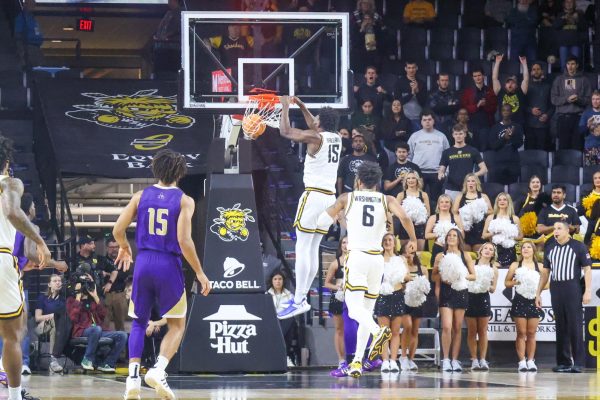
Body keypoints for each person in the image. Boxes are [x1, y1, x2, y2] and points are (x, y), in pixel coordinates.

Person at [114, 149, 211, 400]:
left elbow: (117, 229)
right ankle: (158, 370)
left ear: (155, 169)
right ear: (180, 173)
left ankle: (133, 378)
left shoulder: (139, 196)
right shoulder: (184, 200)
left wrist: (125, 247)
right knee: (177, 324)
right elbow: (184, 240)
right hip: (168, 263)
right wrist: (200, 273)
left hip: (143, 261)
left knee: (138, 321)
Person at [317, 161, 417, 378]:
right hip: (377, 260)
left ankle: (378, 332)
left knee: (354, 311)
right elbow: (406, 217)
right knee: (366, 311)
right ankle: (356, 362)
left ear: (358, 181)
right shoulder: (387, 199)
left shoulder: (347, 198)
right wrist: (414, 240)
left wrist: (325, 214)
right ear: (378, 182)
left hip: (357, 258)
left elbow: (322, 220)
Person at [277, 96, 341, 319]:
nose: (313, 120)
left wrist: (285, 106)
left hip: (313, 196)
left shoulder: (315, 137)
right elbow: (313, 123)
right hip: (330, 200)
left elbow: (286, 131)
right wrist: (302, 105)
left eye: (316, 118)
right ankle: (301, 298)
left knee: (303, 247)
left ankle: (298, 300)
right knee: (313, 248)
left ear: (319, 123)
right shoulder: (337, 137)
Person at [0, 135, 50, 400]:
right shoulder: (9, 182)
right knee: (12, 335)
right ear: (6, 162)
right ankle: (16, 396)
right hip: (0, 259)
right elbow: (11, 212)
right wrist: (39, 240)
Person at [536, 221, 591, 373]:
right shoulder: (550, 247)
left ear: (567, 231)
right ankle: (563, 362)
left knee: (575, 325)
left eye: (559, 228)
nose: (556, 231)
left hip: (572, 287)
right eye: (554, 229)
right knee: (560, 326)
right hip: (556, 288)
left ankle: (578, 362)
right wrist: (538, 293)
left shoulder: (578, 246)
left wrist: (587, 291)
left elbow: (587, 269)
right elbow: (545, 272)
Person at [432, 229, 476, 372]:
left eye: (454, 236)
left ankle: (455, 359)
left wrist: (460, 276)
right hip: (446, 291)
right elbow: (433, 276)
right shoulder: (440, 255)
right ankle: (445, 359)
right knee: (446, 326)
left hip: (460, 291)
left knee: (457, 327)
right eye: (449, 236)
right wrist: (443, 277)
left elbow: (473, 276)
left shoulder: (465, 255)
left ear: (459, 239)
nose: (451, 238)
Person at [66, 275, 128, 373]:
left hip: (98, 330)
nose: (85, 287)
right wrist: (78, 296)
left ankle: (107, 363)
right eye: (83, 284)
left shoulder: (93, 300)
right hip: (82, 331)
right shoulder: (71, 300)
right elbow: (73, 318)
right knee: (96, 329)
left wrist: (95, 296)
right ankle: (87, 359)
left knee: (122, 335)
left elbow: (104, 315)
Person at [505, 241, 545, 372]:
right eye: (523, 247)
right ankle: (521, 361)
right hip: (520, 300)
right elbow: (507, 282)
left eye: (529, 247)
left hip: (534, 300)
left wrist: (536, 286)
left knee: (532, 333)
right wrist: (517, 282)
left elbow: (547, 283)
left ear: (534, 250)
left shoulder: (540, 266)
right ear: (520, 251)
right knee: (521, 333)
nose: (526, 249)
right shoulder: (515, 265)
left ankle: (531, 360)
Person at [375, 233, 411, 373]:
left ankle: (393, 360)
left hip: (397, 295)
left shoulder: (401, 259)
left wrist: (401, 276)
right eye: (385, 240)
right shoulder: (378, 259)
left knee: (396, 331)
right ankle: (385, 361)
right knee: (384, 332)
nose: (387, 242)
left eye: (390, 240)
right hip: (383, 295)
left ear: (394, 243)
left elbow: (407, 276)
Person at [466, 242, 499, 371]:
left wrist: (486, 284)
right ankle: (474, 359)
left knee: (483, 331)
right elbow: (465, 279)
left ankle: (483, 359)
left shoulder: (494, 269)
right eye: (485, 248)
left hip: (483, 298)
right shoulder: (472, 264)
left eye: (491, 249)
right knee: (472, 331)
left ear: (493, 254)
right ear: (480, 251)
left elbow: (493, 289)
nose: (487, 250)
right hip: (470, 298)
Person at [407, 111, 450, 206]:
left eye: (429, 119)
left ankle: (434, 219)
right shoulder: (414, 136)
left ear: (434, 121)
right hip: (418, 173)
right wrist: (411, 172)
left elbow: (448, 157)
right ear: (421, 122)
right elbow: (408, 156)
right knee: (417, 200)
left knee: (436, 201)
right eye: (424, 120)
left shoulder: (441, 136)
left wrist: (445, 172)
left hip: (437, 173)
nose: (427, 122)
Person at [550, 56, 592, 150]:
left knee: (577, 146)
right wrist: (567, 99)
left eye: (573, 64)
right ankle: (563, 165)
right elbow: (553, 99)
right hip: (563, 118)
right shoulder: (559, 79)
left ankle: (577, 165)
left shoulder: (584, 80)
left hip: (579, 117)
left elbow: (589, 100)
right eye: (568, 64)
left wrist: (578, 100)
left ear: (577, 65)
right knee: (563, 147)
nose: (570, 66)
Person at [438, 124, 488, 201]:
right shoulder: (447, 152)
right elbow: (441, 170)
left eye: (460, 133)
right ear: (453, 135)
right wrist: (441, 175)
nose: (458, 136)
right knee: (452, 211)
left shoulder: (473, 150)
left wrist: (473, 175)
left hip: (469, 187)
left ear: (465, 134)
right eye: (456, 134)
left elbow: (484, 169)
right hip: (451, 187)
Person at [401, 242, 428, 371]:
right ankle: (403, 357)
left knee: (415, 330)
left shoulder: (422, 269)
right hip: (404, 301)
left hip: (417, 301)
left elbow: (426, 287)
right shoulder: (401, 268)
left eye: (411, 252)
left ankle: (411, 359)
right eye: (406, 252)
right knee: (408, 326)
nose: (409, 255)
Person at [324, 236, 347, 376]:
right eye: (343, 242)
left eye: (348, 242)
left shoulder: (357, 262)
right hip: (339, 298)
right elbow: (327, 283)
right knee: (339, 329)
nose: (346, 245)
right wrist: (337, 287)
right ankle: (341, 359)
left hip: (354, 298)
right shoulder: (335, 263)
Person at [452, 174, 493, 252]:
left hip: (479, 228)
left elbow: (491, 211)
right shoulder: (460, 196)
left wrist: (479, 211)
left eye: (473, 181)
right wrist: (465, 212)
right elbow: (454, 212)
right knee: (465, 252)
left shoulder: (483, 196)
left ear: (476, 183)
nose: (470, 183)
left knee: (479, 252)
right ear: (465, 183)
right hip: (465, 229)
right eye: (468, 181)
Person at [460, 68, 497, 151]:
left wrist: (485, 105)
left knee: (485, 149)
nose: (477, 78)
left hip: (487, 125)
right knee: (473, 149)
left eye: (479, 75)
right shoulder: (468, 92)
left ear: (483, 76)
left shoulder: (490, 91)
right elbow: (464, 108)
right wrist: (477, 105)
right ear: (473, 78)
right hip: (472, 125)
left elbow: (494, 108)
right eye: (475, 76)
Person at [98, 237, 130, 331]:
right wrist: (113, 274)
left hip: (119, 295)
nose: (114, 249)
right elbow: (99, 275)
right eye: (111, 247)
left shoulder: (124, 260)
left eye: (116, 247)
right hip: (105, 295)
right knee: (104, 323)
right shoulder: (101, 260)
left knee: (120, 324)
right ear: (107, 248)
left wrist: (108, 273)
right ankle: (104, 345)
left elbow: (123, 276)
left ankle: (122, 345)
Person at [34, 274, 65, 373]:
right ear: (49, 284)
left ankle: (53, 361)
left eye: (59, 281)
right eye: (55, 281)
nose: (57, 282)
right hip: (41, 326)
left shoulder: (63, 299)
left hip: (57, 328)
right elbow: (37, 318)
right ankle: (54, 360)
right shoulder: (42, 297)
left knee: (55, 325)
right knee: (53, 321)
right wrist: (52, 316)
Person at [483, 193, 523, 267]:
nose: (502, 201)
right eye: (499, 200)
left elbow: (521, 237)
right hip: (495, 250)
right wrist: (495, 233)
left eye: (505, 200)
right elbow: (484, 235)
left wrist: (509, 236)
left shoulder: (515, 218)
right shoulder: (490, 217)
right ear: (497, 203)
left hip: (510, 250)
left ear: (508, 202)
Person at [266, 270, 297, 367]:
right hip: (271, 322)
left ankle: (285, 357)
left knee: (290, 320)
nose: (278, 281)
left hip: (285, 322)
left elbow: (292, 312)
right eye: (275, 279)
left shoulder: (290, 295)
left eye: (280, 279)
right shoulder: (266, 295)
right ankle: (280, 357)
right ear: (272, 281)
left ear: (283, 281)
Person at [488, 105, 524, 185]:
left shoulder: (517, 127)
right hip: (499, 162)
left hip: (513, 162)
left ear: (511, 112)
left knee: (513, 186)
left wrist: (511, 137)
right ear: (501, 112)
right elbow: (493, 146)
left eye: (508, 110)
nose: (506, 112)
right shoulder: (495, 127)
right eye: (504, 110)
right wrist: (504, 138)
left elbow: (519, 144)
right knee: (499, 187)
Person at [425, 194, 465, 264]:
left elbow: (462, 235)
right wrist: (441, 233)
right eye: (442, 202)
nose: (444, 204)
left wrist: (452, 235)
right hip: (438, 247)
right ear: (438, 204)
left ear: (450, 204)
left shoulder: (456, 217)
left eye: (447, 202)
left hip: (453, 248)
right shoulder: (433, 218)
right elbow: (427, 235)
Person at [492, 54, 530, 126]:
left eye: (513, 82)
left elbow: (526, 79)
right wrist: (497, 62)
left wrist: (524, 64)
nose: (510, 84)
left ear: (516, 85)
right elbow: (495, 79)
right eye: (508, 82)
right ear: (505, 85)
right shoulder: (500, 93)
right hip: (503, 125)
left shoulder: (520, 93)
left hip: (517, 125)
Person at [396, 171, 430, 251]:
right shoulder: (401, 195)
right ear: (405, 181)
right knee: (405, 252)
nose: (411, 180)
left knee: (418, 253)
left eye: (413, 178)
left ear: (417, 180)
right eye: (408, 178)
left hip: (419, 227)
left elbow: (428, 212)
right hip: (405, 227)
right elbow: (396, 212)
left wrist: (418, 217)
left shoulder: (424, 195)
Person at [525, 62, 554, 150]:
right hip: (529, 125)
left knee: (542, 153)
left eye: (538, 69)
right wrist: (531, 110)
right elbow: (522, 105)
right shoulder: (526, 87)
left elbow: (553, 105)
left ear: (542, 71)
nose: (536, 71)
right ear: (530, 72)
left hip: (543, 125)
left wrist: (547, 115)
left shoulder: (548, 87)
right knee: (530, 154)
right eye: (534, 69)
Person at [553, 0, 587, 70]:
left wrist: (577, 19)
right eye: (567, 2)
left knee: (575, 66)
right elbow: (555, 26)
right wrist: (564, 18)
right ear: (564, 4)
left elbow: (584, 27)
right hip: (563, 44)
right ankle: (564, 80)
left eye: (571, 2)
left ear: (574, 4)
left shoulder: (579, 14)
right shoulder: (560, 14)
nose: (569, 4)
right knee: (564, 66)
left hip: (576, 44)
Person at [394, 61, 427, 130]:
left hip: (418, 118)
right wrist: (411, 93)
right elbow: (398, 102)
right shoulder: (399, 82)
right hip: (403, 118)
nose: (411, 70)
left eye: (413, 68)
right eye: (409, 68)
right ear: (405, 69)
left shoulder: (421, 83)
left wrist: (417, 91)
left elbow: (424, 103)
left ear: (416, 68)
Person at [516, 175, 551, 241]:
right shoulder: (522, 199)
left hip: (541, 233)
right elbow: (516, 215)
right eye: (533, 182)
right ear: (529, 185)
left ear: (540, 185)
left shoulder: (546, 198)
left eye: (537, 182)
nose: (535, 184)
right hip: (525, 233)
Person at [428, 73, 460, 137]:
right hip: (438, 125)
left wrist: (443, 107)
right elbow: (436, 109)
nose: (444, 82)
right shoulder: (432, 95)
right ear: (438, 82)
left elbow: (456, 107)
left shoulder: (453, 94)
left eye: (446, 80)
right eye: (442, 80)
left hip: (452, 125)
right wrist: (448, 106)